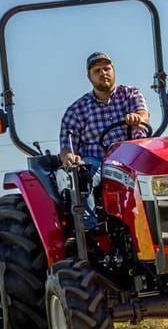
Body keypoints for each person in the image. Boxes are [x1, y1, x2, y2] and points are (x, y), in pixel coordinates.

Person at [59, 52, 150, 227]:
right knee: (81, 174)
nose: (103, 73)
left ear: (113, 70)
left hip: (134, 158)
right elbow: (66, 147)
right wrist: (69, 157)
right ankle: (89, 229)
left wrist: (137, 118)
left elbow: (143, 115)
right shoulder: (77, 110)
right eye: (97, 71)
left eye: (107, 68)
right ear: (89, 77)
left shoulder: (130, 94)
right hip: (98, 162)